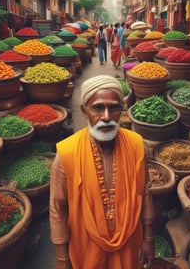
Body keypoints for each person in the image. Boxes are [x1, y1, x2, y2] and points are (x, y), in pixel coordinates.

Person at [50, 75, 155, 269]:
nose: (106, 117)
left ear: (121, 110)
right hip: (86, 246)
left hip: (130, 243)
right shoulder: (66, 153)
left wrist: (149, 238)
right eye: (98, 108)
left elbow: (145, 192)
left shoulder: (136, 145)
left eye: (114, 107)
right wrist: (62, 258)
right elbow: (57, 208)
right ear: (84, 110)